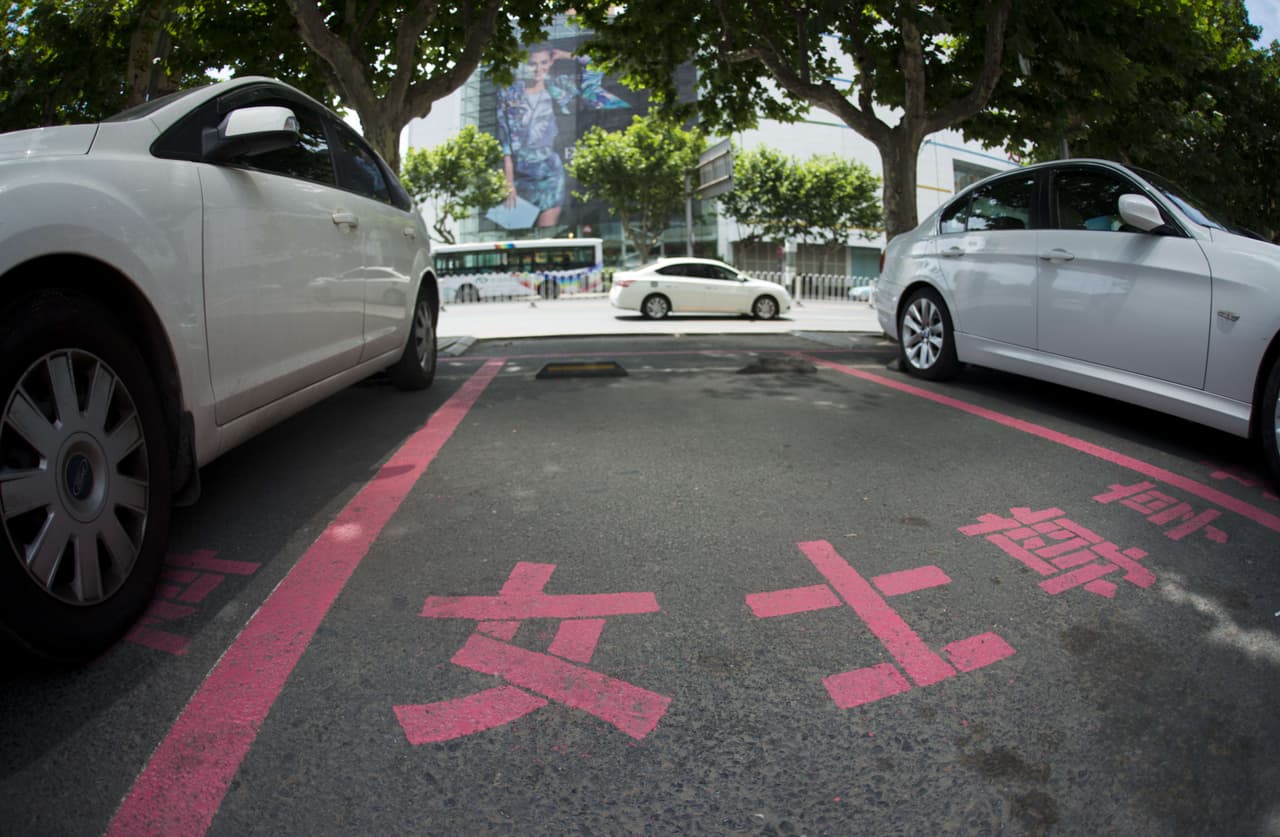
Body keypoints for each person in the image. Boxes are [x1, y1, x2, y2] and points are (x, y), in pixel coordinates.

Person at [496, 45, 629, 228]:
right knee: (517, 236)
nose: (538, 69)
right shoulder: (508, 94)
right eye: (532, 63)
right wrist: (509, 184)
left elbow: (596, 66)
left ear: (551, 62)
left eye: (544, 62)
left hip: (550, 172)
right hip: (520, 175)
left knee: (546, 236)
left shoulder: (559, 87)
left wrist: (567, 55)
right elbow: (506, 144)